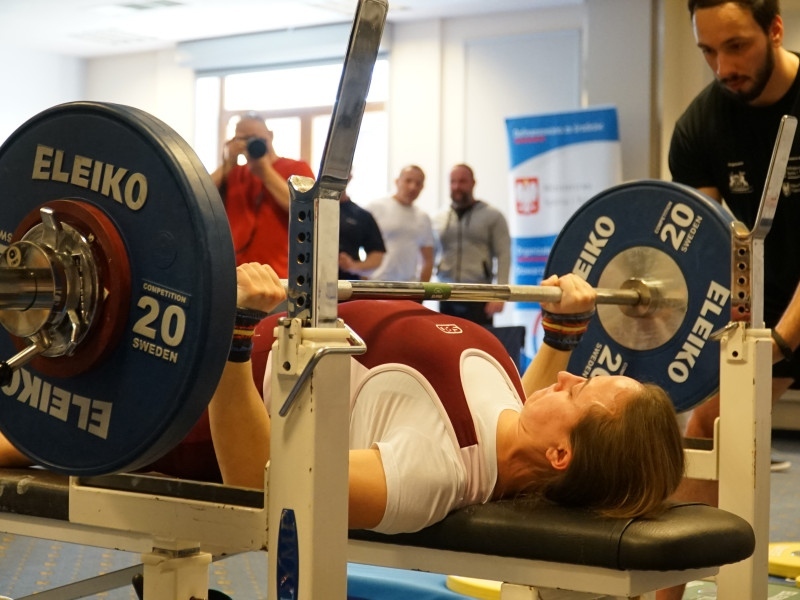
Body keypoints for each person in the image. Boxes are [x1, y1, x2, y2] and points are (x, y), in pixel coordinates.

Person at [208, 264, 685, 534]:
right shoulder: (516, 424)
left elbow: (260, 481)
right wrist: (561, 332)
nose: (566, 377)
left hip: (210, 391)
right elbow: (518, 399)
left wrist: (234, 331)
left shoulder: (433, 470)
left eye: (578, 392)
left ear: (561, 454)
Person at [662, 1, 800, 597]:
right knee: (709, 423)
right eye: (708, 52)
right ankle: (659, 586)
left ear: (776, 30)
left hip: (788, 316)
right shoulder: (700, 127)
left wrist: (781, 343)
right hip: (767, 304)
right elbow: (708, 249)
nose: (723, 67)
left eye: (737, 46)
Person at [210, 112, 315, 276]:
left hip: (278, 276)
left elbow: (307, 210)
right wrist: (228, 163)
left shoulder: (296, 168)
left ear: (270, 135)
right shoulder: (234, 173)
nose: (249, 144)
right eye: (242, 139)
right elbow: (199, 194)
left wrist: (265, 171)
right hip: (234, 274)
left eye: (254, 138)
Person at [433, 164, 511, 326]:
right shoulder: (438, 217)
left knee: (479, 346)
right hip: (446, 292)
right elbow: (429, 253)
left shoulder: (493, 216)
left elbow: (504, 255)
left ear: (473, 183)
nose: (457, 187)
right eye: (453, 182)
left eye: (462, 181)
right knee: (447, 344)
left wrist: (500, 295)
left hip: (479, 293)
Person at [366, 165, 435, 282]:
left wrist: (422, 293)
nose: (413, 187)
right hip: (376, 283)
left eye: (418, 183)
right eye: (408, 181)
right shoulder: (376, 208)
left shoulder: (423, 217)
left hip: (408, 287)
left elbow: (428, 259)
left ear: (422, 187)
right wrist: (361, 274)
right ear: (397, 181)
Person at [338, 178, 386, 280]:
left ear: (349, 176)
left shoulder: (362, 215)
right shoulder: (308, 209)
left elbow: (377, 254)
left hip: (347, 285)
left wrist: (353, 266)